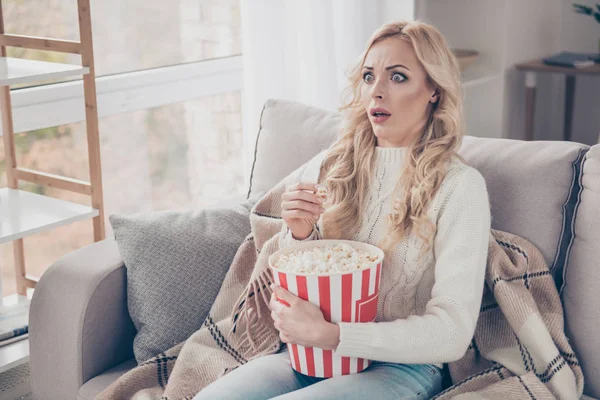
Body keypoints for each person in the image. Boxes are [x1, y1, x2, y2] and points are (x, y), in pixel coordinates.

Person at [193, 19, 491, 400]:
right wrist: (299, 233)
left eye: (397, 77)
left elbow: (452, 333)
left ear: (434, 89)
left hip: (402, 367)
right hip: (312, 354)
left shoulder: (459, 188)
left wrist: (335, 335)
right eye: (369, 76)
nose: (376, 92)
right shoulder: (333, 164)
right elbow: (295, 275)